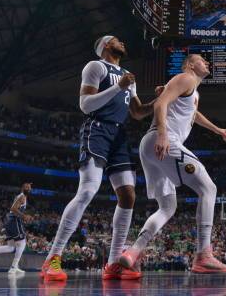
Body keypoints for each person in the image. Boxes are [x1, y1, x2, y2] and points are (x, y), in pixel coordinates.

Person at [40, 35, 155, 282]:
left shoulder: (127, 74)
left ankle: (113, 262)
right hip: (98, 129)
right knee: (88, 190)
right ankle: (54, 256)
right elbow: (85, 105)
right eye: (116, 40)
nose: (122, 42)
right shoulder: (96, 67)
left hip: (119, 134)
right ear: (105, 46)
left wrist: (161, 100)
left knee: (128, 195)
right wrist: (118, 87)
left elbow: (137, 113)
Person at [118, 54, 226, 276]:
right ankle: (204, 255)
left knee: (167, 207)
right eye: (202, 60)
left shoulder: (191, 90)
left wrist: (216, 129)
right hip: (163, 140)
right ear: (191, 65)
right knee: (208, 189)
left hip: (150, 147)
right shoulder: (186, 78)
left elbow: (193, 113)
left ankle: (132, 253)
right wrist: (163, 133)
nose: (207, 63)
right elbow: (161, 103)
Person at [0, 183, 32, 274]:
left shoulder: (21, 197)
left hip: (10, 221)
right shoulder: (22, 197)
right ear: (22, 188)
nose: (28, 188)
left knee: (11, 247)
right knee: (22, 242)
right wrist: (23, 216)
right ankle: (13, 267)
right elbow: (13, 208)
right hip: (14, 220)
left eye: (30, 187)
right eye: (26, 187)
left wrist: (22, 216)